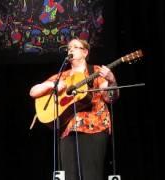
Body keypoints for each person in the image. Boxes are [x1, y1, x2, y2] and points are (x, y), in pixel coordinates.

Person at [29, 38, 119, 180]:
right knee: (70, 176)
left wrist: (112, 80)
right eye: (69, 48)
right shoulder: (62, 76)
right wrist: (50, 86)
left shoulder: (95, 71)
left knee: (91, 175)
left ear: (85, 52)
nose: (70, 50)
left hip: (94, 127)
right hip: (68, 130)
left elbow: (110, 98)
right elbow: (33, 92)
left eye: (75, 47)